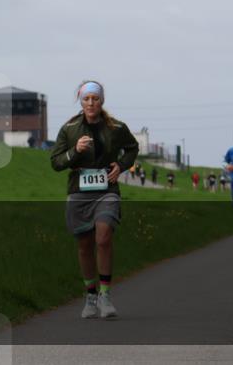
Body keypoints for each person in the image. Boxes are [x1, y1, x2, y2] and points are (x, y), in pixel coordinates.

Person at [51, 80, 139, 320]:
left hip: (106, 190)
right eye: (87, 99)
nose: (91, 103)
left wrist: (120, 166)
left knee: (103, 237)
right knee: (84, 246)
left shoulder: (116, 128)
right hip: (79, 192)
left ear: (102, 101)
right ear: (81, 101)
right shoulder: (69, 129)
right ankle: (90, 296)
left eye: (95, 99)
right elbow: (56, 162)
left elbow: (133, 147)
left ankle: (105, 295)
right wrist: (74, 151)